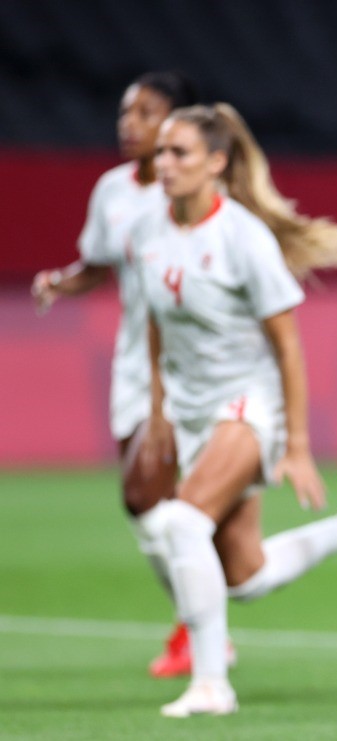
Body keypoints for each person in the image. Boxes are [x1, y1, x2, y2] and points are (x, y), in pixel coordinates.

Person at [134, 103, 337, 717]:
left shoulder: (242, 237)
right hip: (194, 412)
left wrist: (295, 444)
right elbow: (156, 322)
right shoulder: (150, 230)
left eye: (179, 152)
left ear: (216, 163)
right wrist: (160, 409)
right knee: (244, 577)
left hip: (248, 405)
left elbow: (288, 345)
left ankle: (211, 686)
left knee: (181, 524)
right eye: (161, 152)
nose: (164, 163)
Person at [30, 71, 208, 677]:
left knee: (149, 497)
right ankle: (200, 620)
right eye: (125, 112)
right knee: (153, 506)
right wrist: (61, 282)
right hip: (137, 364)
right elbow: (98, 266)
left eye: (146, 112)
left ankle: (200, 627)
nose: (128, 124)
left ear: (179, 122)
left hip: (197, 367)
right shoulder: (112, 190)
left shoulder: (196, 189)